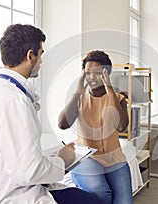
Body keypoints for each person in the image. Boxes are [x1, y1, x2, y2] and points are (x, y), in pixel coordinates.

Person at [0, 24, 98, 204]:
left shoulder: (1, 89)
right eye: (41, 54)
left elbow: (20, 157)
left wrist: (53, 159)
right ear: (30, 56)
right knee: (91, 201)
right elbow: (28, 171)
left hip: (9, 185)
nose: (42, 61)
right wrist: (63, 160)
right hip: (11, 195)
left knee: (84, 197)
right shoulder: (15, 100)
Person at [58, 50, 133, 204]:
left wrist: (110, 90)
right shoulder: (80, 98)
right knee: (102, 193)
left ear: (107, 74)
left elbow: (122, 127)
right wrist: (78, 92)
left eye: (97, 72)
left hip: (114, 158)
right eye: (87, 72)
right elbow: (62, 124)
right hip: (86, 157)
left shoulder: (118, 98)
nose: (92, 77)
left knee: (125, 201)